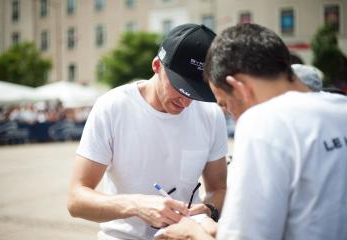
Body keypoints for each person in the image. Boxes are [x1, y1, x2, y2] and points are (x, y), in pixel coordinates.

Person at [154, 23, 347, 240]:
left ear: (239, 87)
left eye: (225, 104)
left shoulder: (263, 124)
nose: (233, 117)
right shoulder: (342, 109)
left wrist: (192, 233)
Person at [67, 23, 228, 240]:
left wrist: (209, 210)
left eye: (198, 93)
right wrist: (135, 205)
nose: (187, 102)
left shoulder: (211, 113)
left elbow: (219, 189)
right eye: (181, 88)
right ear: (156, 66)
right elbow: (76, 200)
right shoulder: (113, 107)